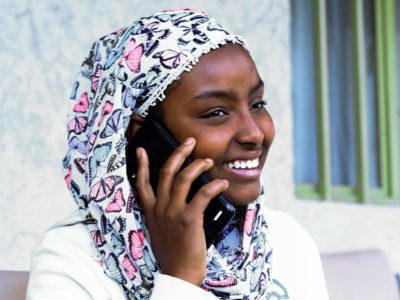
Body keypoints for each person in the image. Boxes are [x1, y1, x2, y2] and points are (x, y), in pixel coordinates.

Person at [27, 9, 329, 299]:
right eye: (216, 112)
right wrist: (181, 279)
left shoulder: (284, 239)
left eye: (257, 104)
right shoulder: (72, 258)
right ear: (139, 136)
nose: (255, 133)